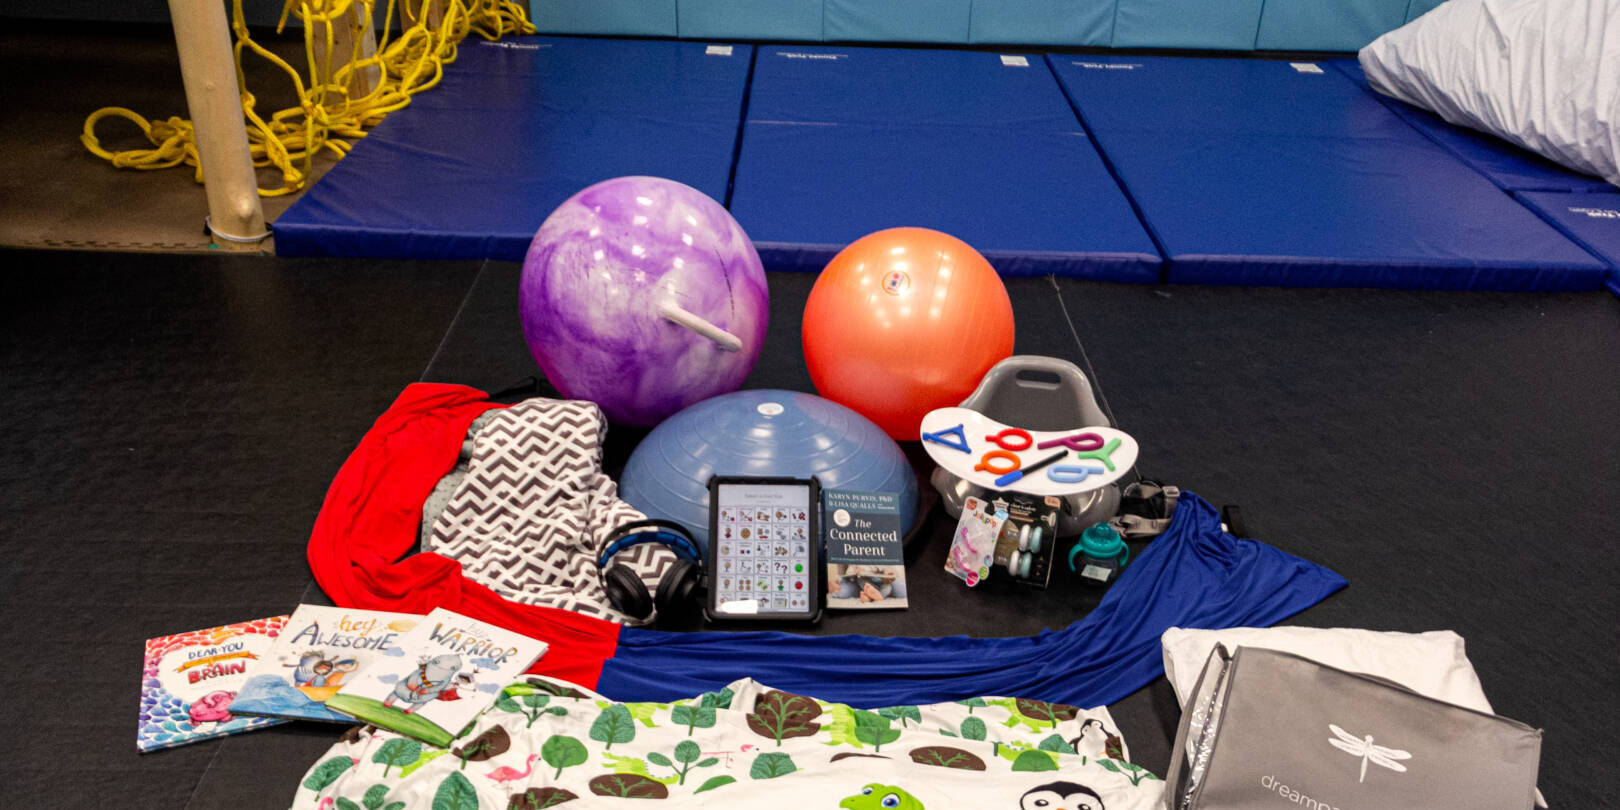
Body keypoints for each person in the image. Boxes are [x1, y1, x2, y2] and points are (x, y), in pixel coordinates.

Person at [828, 564, 906, 602]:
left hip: (881, 577)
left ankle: (874, 596)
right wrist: (841, 579)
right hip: (859, 581)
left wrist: (887, 575)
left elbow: (890, 567)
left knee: (902, 591)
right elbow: (849, 572)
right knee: (839, 592)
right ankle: (872, 595)